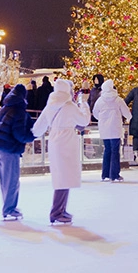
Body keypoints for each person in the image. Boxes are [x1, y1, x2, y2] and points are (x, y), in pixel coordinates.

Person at [33, 79, 91, 224]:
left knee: (62, 176)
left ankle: (61, 209)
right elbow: (84, 121)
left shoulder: (50, 105)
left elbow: (39, 126)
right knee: (65, 177)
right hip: (67, 141)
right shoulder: (70, 106)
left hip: (54, 141)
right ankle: (57, 212)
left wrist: (29, 136)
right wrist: (84, 104)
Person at [0, 84, 36, 219]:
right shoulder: (19, 110)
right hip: (9, 148)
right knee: (12, 180)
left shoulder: (6, 107)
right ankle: (9, 209)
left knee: (5, 179)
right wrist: (33, 136)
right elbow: (20, 134)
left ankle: (8, 206)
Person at [93, 79, 131, 182]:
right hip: (115, 129)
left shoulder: (100, 101)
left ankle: (105, 174)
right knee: (115, 151)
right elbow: (126, 112)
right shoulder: (118, 100)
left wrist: (101, 120)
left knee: (107, 150)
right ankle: (114, 174)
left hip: (104, 130)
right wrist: (129, 118)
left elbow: (95, 113)